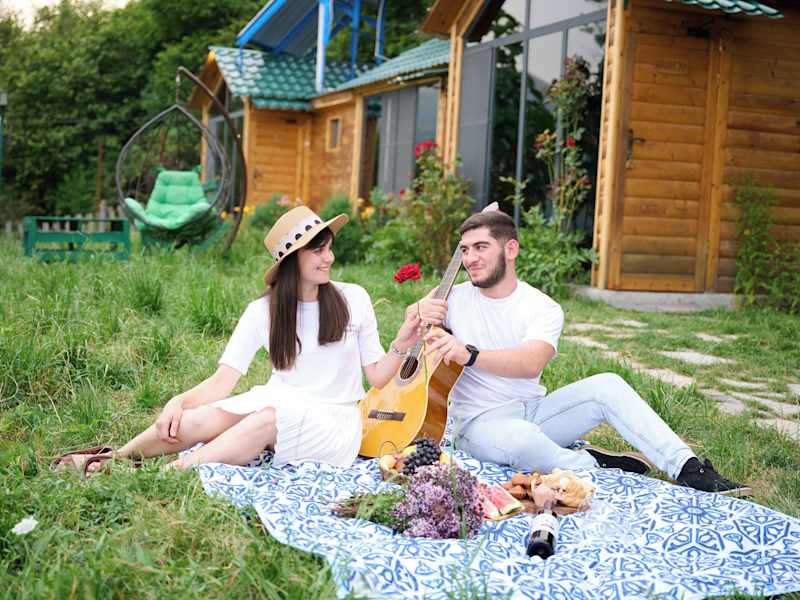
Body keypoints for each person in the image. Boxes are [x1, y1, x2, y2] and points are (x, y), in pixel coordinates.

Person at [54, 206, 423, 473]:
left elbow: (377, 377)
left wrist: (403, 340)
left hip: (335, 421)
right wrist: (177, 402)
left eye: (328, 248)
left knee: (266, 420)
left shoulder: (353, 298)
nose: (329, 257)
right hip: (279, 400)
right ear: (292, 259)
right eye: (318, 249)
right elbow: (222, 381)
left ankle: (170, 473)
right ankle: (114, 459)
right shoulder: (263, 310)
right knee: (199, 420)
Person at [413, 210, 750, 496]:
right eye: (465, 249)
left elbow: (531, 362)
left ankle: (688, 468)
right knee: (522, 441)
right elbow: (411, 322)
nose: (470, 258)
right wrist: (417, 312)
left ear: (510, 249)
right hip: (478, 424)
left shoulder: (542, 306)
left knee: (608, 384)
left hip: (535, 412)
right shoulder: (453, 297)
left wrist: (469, 354)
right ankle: (593, 464)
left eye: (481, 247)